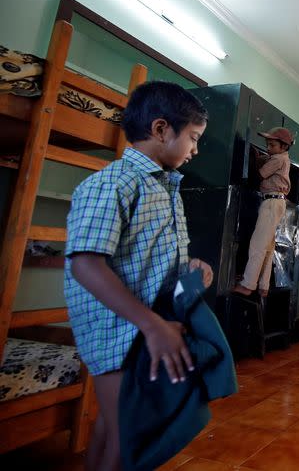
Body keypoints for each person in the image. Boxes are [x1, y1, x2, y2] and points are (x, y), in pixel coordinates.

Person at [64, 81, 215, 471]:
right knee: (130, 434)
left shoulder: (165, 188)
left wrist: (192, 271)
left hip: (143, 325)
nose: (196, 149)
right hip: (120, 330)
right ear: (162, 129)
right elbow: (85, 263)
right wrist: (151, 325)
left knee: (113, 429)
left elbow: (152, 265)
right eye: (193, 138)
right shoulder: (112, 183)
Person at [233, 127, 293, 296]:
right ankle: (263, 285)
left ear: (284, 147)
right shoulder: (279, 157)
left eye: (272, 145)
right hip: (276, 202)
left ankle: (248, 284)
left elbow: (259, 175)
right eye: (267, 144)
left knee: (257, 244)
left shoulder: (278, 160)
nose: (268, 147)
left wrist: (253, 161)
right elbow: (266, 159)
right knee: (267, 247)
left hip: (271, 202)